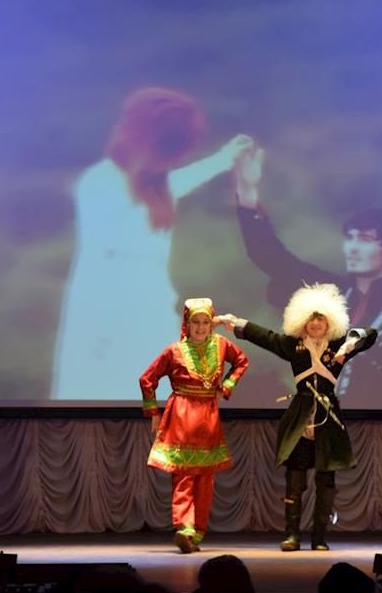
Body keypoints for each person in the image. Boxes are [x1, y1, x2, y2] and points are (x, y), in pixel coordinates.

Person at [53, 86, 254, 400]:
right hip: (104, 325)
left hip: (151, 315)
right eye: (168, 149)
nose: (172, 161)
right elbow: (105, 274)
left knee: (157, 402)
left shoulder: (155, 186)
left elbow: (176, 182)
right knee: (98, 399)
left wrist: (224, 158)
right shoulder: (101, 184)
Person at [233, 147, 382, 408]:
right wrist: (247, 191)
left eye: (365, 240)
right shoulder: (330, 293)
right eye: (350, 238)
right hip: (318, 417)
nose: (353, 248)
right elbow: (271, 256)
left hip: (379, 424)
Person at [216, 283, 376, 551]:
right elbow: (264, 337)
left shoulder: (339, 345)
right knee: (295, 480)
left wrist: (351, 343)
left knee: (326, 482)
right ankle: (292, 535)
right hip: (300, 418)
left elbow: (371, 334)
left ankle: (319, 538)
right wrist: (235, 323)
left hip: (328, 418)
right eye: (311, 318)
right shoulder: (293, 346)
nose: (315, 323)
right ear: (302, 321)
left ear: (330, 322)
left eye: (321, 318)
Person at [140, 298, 249, 553]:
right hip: (181, 415)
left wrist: (226, 387)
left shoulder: (221, 345)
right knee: (183, 474)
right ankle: (185, 527)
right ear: (186, 325)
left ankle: (197, 533)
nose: (200, 327)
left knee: (206, 478)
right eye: (195, 322)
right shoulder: (174, 351)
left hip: (208, 416)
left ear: (211, 324)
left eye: (205, 322)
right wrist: (153, 412)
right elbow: (147, 379)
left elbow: (242, 361)